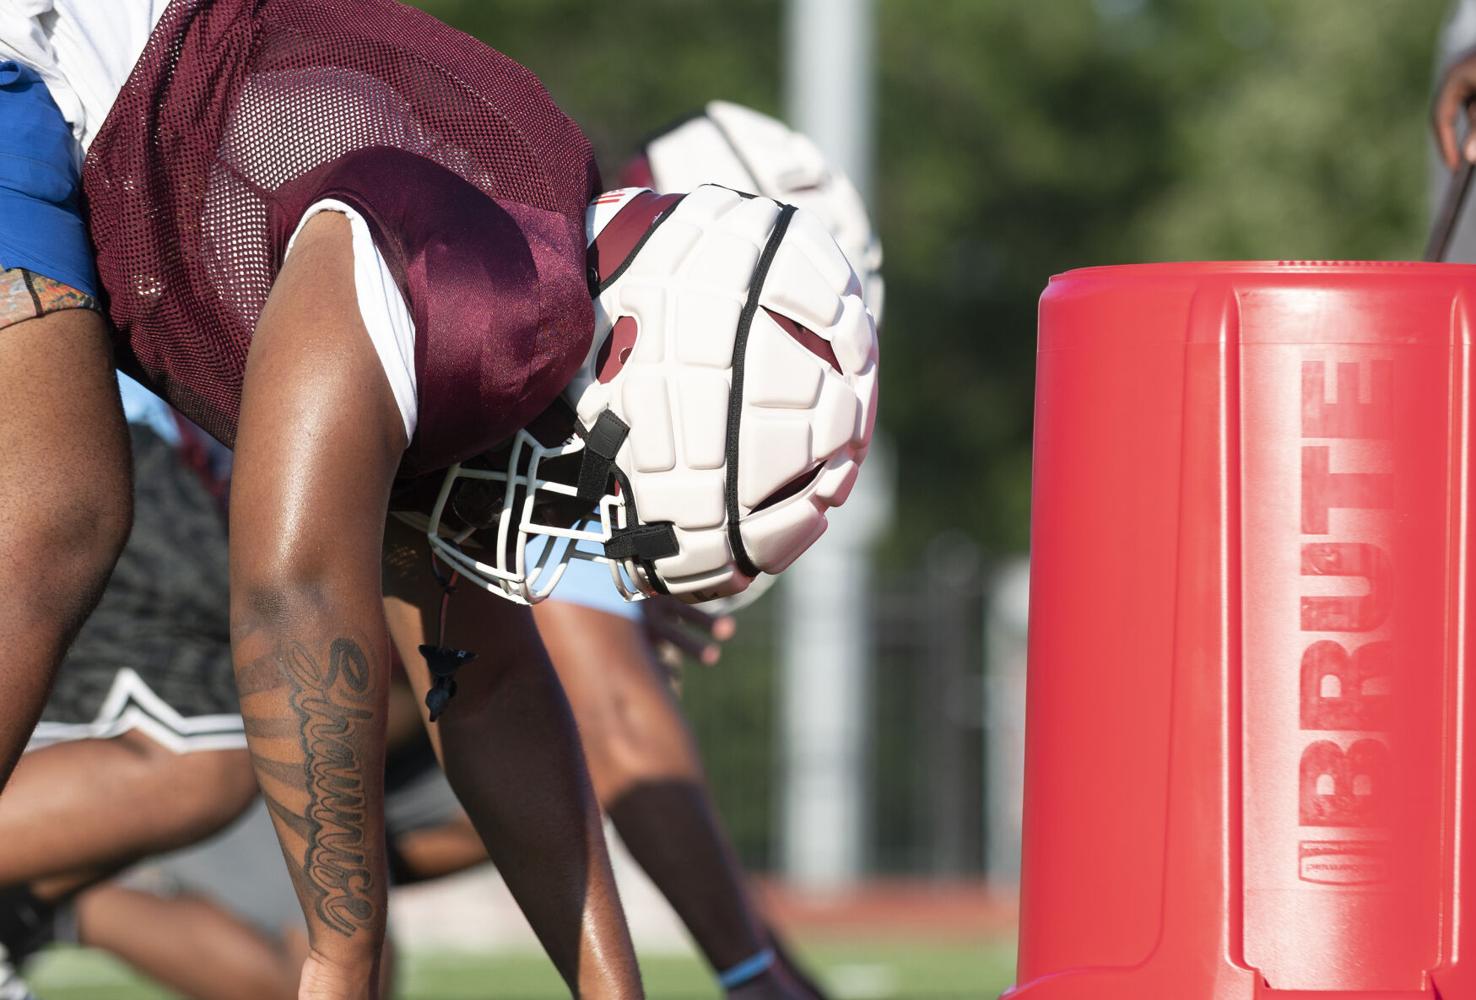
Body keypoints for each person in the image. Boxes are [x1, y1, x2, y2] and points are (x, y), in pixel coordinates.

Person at [0, 2, 879, 996]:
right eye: (602, 497)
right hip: (36, 69)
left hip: (68, 117)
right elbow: (291, 592)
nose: (574, 531)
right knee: (62, 505)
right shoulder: (474, 287)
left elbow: (489, 681)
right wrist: (341, 960)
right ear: (630, 357)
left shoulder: (517, 287)